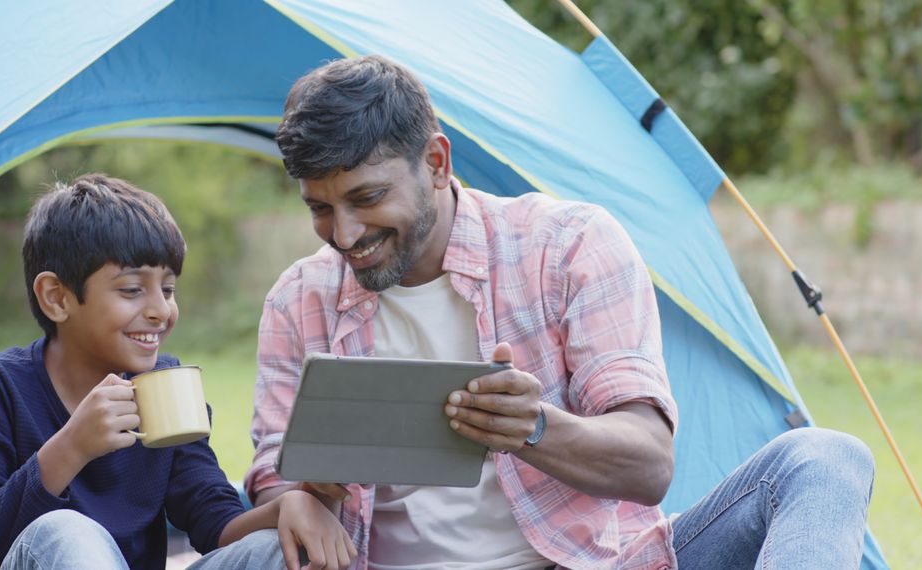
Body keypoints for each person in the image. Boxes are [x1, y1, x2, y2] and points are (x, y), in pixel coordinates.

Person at [246, 55, 876, 570]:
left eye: (367, 198)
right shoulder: (299, 300)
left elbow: (649, 462)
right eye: (320, 209)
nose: (346, 233)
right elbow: (273, 484)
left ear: (436, 163)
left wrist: (532, 428)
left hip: (594, 563)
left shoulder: (567, 245)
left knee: (825, 460)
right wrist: (304, 494)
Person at [0, 174, 354, 570]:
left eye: (168, 289)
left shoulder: (165, 388)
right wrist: (70, 448)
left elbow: (216, 525)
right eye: (132, 289)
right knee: (64, 532)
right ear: (56, 298)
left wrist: (285, 507)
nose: (161, 310)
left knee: (271, 549)